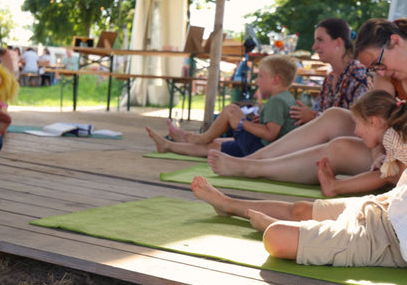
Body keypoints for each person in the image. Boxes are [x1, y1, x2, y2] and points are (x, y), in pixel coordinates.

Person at [207, 18, 379, 183]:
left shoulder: (360, 75)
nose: (314, 46)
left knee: (331, 120)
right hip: (335, 141)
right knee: (219, 144)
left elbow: (361, 119)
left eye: (320, 40)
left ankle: (250, 163)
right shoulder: (330, 79)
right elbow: (318, 119)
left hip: (359, 140)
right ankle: (207, 146)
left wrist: (313, 117)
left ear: (338, 42)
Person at [191, 174, 407, 267]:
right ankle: (227, 204)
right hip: (383, 203)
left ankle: (269, 223)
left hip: (382, 241)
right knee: (300, 209)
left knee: (277, 236)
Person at [146, 54, 298, 158]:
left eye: (260, 76)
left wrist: (242, 123)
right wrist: (259, 123)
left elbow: (270, 134)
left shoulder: (276, 101)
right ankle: (169, 145)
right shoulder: (287, 98)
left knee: (231, 110)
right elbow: (273, 130)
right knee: (214, 147)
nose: (257, 80)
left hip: (261, 150)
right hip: (265, 148)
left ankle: (200, 137)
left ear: (276, 79)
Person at [318, 90, 407, 196]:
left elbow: (401, 180)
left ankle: (334, 187)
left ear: (373, 122)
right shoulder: (393, 135)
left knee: (386, 175)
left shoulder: (392, 136)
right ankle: (335, 186)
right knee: (386, 174)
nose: (355, 131)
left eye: (356, 123)